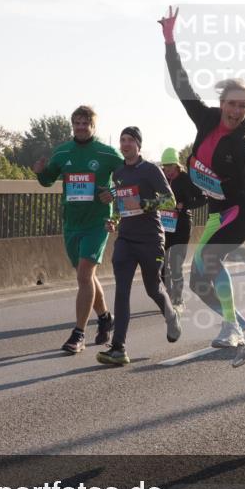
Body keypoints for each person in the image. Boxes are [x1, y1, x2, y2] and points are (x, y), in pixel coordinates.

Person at [158, 5, 245, 367]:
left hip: (238, 210)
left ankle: (232, 326)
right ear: (221, 102)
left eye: (243, 106)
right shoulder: (207, 119)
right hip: (216, 211)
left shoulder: (244, 145)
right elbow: (182, 86)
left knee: (211, 259)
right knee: (197, 282)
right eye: (231, 103)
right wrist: (169, 41)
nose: (236, 111)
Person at [33, 106, 124, 354]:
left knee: (84, 276)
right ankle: (105, 317)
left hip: (97, 223)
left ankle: (78, 334)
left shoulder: (107, 153)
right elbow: (48, 180)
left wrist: (114, 194)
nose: (81, 127)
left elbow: (129, 178)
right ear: (72, 125)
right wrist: (41, 172)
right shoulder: (63, 151)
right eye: (77, 123)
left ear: (94, 126)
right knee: (88, 277)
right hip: (72, 223)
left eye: (86, 123)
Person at [97, 128, 182, 365]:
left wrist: (143, 203)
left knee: (152, 288)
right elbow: (123, 205)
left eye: (129, 140)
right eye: (122, 140)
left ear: (138, 145)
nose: (125, 144)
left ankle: (171, 315)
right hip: (125, 239)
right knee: (122, 292)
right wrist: (113, 220)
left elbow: (170, 200)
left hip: (150, 239)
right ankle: (118, 348)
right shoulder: (119, 172)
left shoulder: (151, 170)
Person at [159, 147, 207, 311]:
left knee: (176, 263)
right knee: (162, 263)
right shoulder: (161, 178)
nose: (168, 171)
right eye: (165, 167)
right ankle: (168, 295)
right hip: (165, 224)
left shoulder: (186, 179)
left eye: (171, 167)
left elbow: (203, 198)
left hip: (182, 224)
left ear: (177, 166)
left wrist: (184, 205)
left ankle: (178, 299)